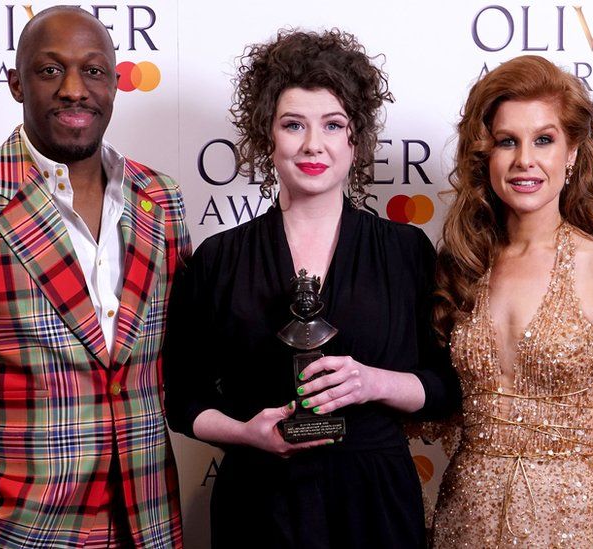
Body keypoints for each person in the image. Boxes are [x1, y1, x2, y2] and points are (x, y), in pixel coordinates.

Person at [0, 7, 188, 548]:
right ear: (17, 84)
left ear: (115, 84)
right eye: (50, 71)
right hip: (18, 530)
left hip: (150, 525)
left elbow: (190, 350)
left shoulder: (160, 200)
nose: (74, 89)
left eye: (92, 71)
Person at [162, 29, 461, 549]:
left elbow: (447, 386)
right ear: (267, 137)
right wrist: (245, 433)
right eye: (293, 124)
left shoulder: (406, 253)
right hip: (258, 505)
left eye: (333, 124)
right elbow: (182, 401)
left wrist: (375, 383)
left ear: (355, 139)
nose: (312, 144)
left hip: (377, 506)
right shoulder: (218, 260)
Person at [416, 55, 593, 548]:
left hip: (572, 531)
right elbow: (436, 405)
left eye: (543, 139)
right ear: (485, 154)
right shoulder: (463, 267)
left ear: (573, 151)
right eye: (506, 142)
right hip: (462, 523)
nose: (524, 161)